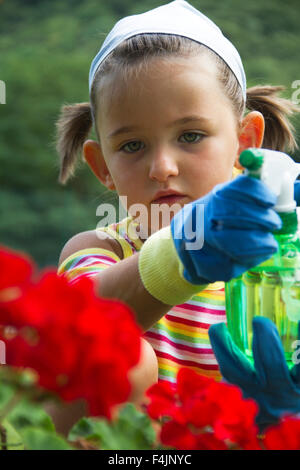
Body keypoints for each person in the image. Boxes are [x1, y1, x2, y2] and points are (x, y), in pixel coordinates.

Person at [55, 0, 299, 422]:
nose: (162, 168)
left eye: (190, 135)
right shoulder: (102, 248)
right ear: (102, 167)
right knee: (120, 355)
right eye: (132, 145)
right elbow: (79, 325)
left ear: (245, 142)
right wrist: (183, 252)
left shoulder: (283, 264)